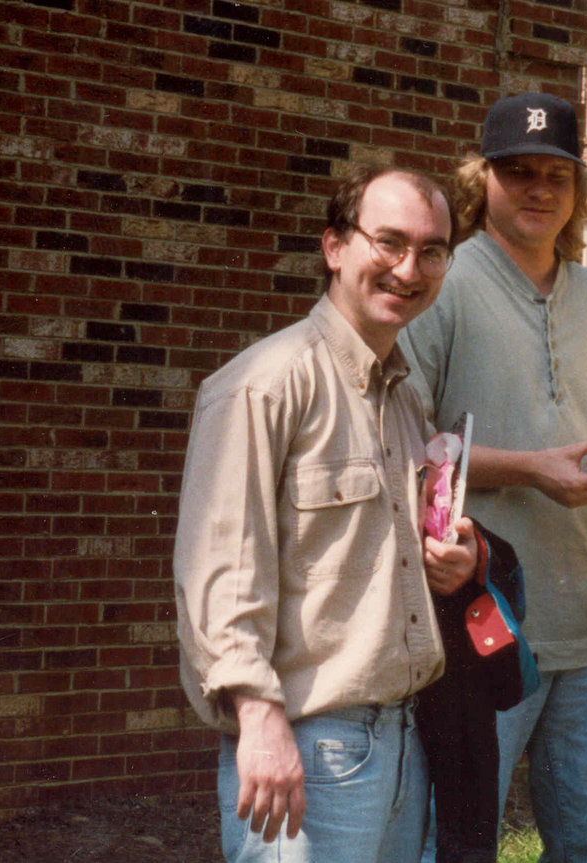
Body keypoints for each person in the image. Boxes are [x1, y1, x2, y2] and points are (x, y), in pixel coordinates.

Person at [173, 165, 481, 863]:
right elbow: (220, 570)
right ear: (335, 246)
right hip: (307, 746)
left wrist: (447, 561)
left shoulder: (405, 397)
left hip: (403, 740)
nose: (409, 269)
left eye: (432, 251)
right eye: (389, 242)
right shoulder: (263, 387)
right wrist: (258, 719)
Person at [401, 92, 587, 862]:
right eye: (518, 172)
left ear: (578, 189)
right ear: (482, 180)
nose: (539, 189)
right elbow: (403, 444)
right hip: (479, 616)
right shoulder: (445, 282)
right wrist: (531, 471)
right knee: (459, 842)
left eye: (557, 174)